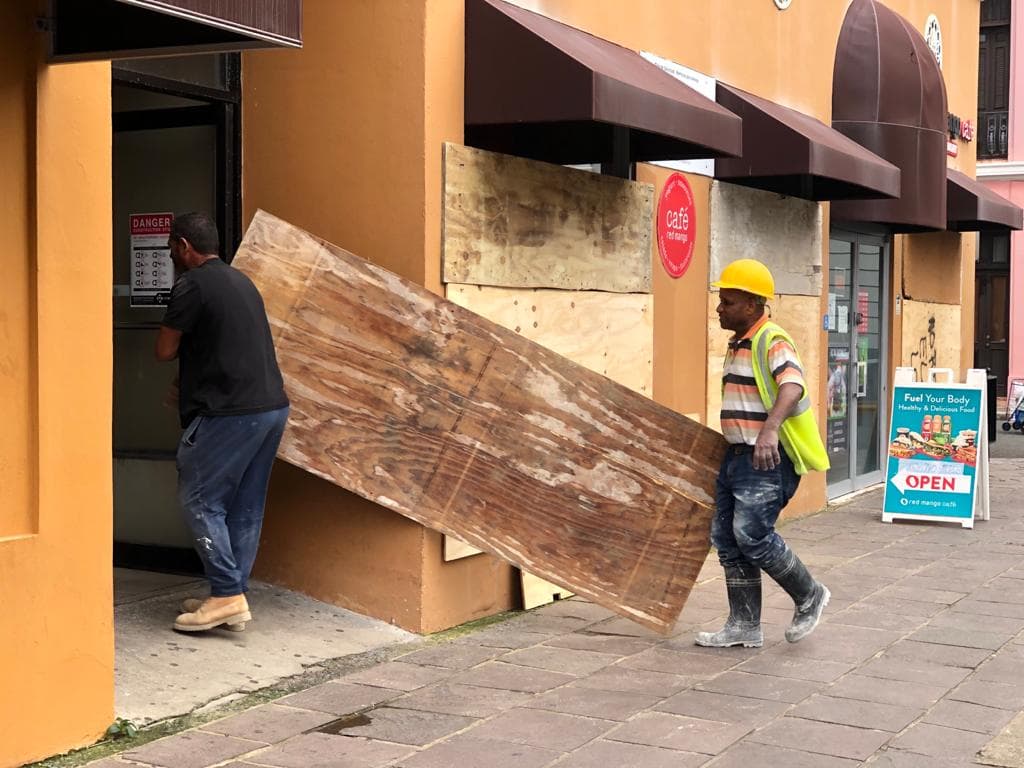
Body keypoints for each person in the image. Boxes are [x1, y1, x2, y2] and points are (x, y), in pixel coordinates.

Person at [156, 212, 290, 633]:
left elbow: (163, 349)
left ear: (182, 246)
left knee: (199, 499)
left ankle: (228, 594)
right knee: (245, 504)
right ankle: (229, 592)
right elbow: (225, 345)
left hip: (229, 413)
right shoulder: (241, 282)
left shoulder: (190, 286)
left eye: (170, 248)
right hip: (269, 407)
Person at [696, 258, 830, 649]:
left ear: (754, 304)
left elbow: (792, 385)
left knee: (751, 535)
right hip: (737, 456)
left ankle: (810, 594)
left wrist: (770, 431)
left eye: (729, 301)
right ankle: (743, 625)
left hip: (767, 458)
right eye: (721, 301)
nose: (720, 308)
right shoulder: (739, 343)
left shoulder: (772, 340)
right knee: (727, 537)